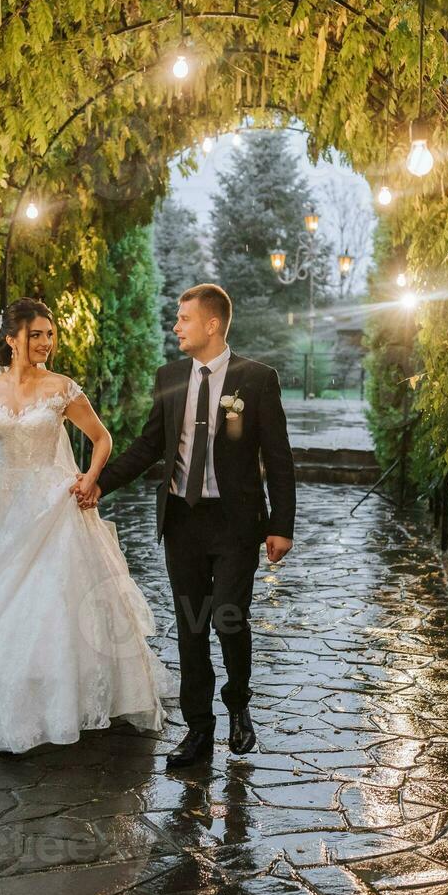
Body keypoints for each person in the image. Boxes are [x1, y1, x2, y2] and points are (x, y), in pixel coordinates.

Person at [0, 298, 170, 755]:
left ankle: (60, 703)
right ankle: (3, 703)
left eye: (50, 334)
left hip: (53, 502)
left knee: (51, 604)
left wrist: (91, 477)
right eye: (36, 335)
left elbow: (101, 438)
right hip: (0, 507)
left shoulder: (61, 389)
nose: (46, 343)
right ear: (12, 339)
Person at [75, 283, 296, 769]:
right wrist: (96, 482)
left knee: (228, 617)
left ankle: (239, 704)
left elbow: (278, 458)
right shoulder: (170, 376)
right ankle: (199, 730)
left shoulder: (256, 380)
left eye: (184, 319)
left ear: (212, 324)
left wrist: (282, 525)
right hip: (183, 521)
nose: (175, 326)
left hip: (236, 522)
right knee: (191, 627)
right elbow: (147, 445)